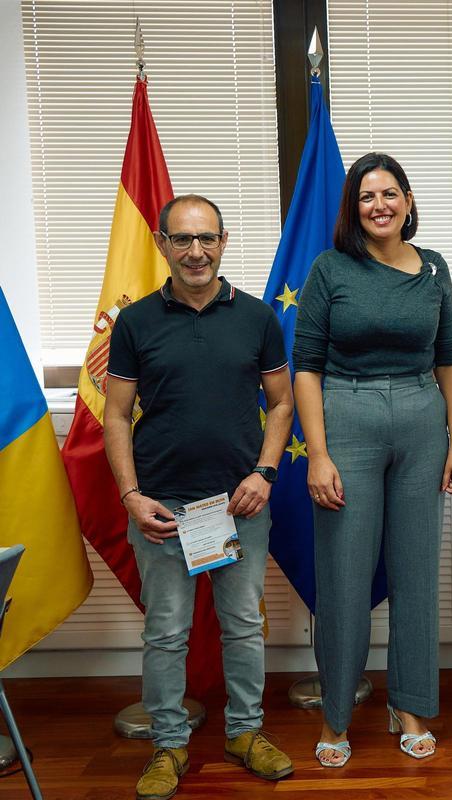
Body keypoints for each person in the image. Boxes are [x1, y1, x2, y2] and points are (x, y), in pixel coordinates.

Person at [104, 194, 296, 799]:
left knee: (242, 626)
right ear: (162, 244)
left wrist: (264, 472)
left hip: (236, 505)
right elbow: (115, 416)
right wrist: (132, 495)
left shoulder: (258, 318)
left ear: (224, 241)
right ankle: (168, 745)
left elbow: (283, 401)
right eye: (182, 240)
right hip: (162, 506)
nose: (196, 251)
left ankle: (245, 734)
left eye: (206, 238)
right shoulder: (135, 323)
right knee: (166, 632)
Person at [292, 153, 452, 767]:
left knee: (416, 576)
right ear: (353, 209)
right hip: (348, 420)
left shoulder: (436, 269)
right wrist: (318, 454)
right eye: (367, 197)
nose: (380, 206)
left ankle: (412, 705)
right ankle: (336, 717)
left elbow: (449, 357)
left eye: (390, 193)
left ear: (409, 199)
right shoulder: (329, 269)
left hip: (422, 424)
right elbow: (307, 366)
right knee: (343, 578)